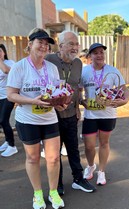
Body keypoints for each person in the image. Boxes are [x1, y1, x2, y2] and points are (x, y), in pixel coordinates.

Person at [7, 28, 65, 209]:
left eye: (47, 44)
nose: (43, 46)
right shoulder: (19, 67)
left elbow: (55, 93)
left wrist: (59, 102)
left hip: (49, 119)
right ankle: (37, 194)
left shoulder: (52, 68)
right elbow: (11, 95)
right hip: (27, 120)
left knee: (54, 158)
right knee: (32, 159)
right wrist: (32, 101)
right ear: (30, 44)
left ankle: (53, 193)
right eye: (40, 42)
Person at [45, 30, 96, 196]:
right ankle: (57, 184)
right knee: (55, 153)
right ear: (60, 46)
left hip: (71, 115)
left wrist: (77, 108)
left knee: (73, 149)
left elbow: (76, 88)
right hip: (52, 116)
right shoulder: (49, 60)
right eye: (71, 44)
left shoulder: (78, 64)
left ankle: (78, 179)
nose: (75, 47)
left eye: (76, 44)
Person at [79, 43, 129, 185]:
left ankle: (101, 171)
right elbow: (78, 90)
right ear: (90, 56)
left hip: (108, 114)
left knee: (104, 143)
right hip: (90, 115)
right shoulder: (84, 72)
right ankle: (90, 166)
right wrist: (82, 102)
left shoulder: (112, 71)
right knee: (88, 145)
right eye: (95, 53)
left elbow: (124, 90)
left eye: (101, 52)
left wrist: (123, 101)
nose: (99, 55)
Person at [0, 44, 18, 157]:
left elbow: (6, 71)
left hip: (8, 96)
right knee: (1, 121)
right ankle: (7, 141)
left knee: (3, 120)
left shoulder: (10, 63)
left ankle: (12, 146)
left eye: (0, 51)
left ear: (4, 52)